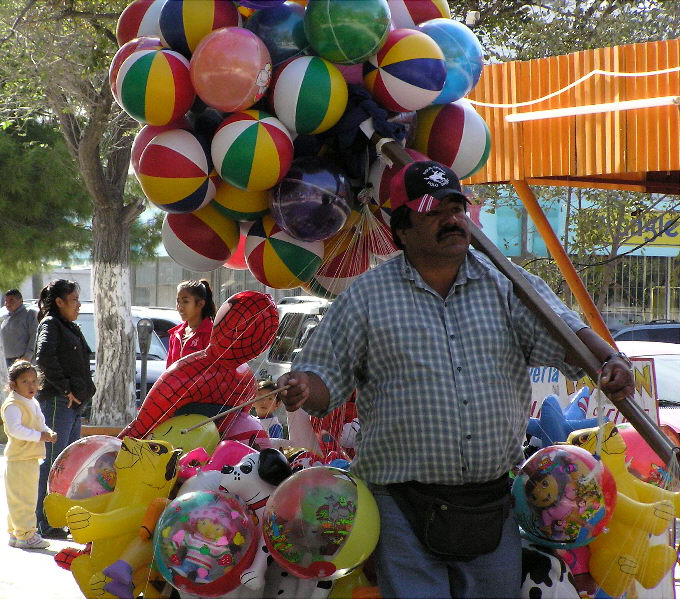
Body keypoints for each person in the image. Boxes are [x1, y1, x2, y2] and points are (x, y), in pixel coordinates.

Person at [277, 161, 636, 599]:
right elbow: (323, 378)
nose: (451, 220)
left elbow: (566, 334)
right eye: (434, 211)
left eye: (456, 208)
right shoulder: (366, 297)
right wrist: (303, 388)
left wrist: (609, 359)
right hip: (400, 506)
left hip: (489, 503)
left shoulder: (507, 285)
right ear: (402, 230)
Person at [33, 279, 95, 539]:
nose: (78, 305)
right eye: (74, 300)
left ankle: (60, 518)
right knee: (53, 463)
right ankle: (46, 521)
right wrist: (65, 388)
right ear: (59, 302)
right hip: (59, 403)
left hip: (74, 406)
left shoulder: (69, 326)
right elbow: (44, 357)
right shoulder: (50, 324)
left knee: (69, 465)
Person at [1, 360, 57, 550]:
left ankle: (16, 533)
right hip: (18, 458)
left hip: (31, 457)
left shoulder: (32, 402)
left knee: (25, 496)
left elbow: (40, 423)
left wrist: (47, 432)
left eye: (34, 380)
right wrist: (39, 436)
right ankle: (26, 534)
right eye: (25, 381)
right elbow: (15, 429)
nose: (31, 385)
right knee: (22, 498)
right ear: (14, 383)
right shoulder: (12, 405)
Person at [166, 280, 215, 367]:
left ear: (200, 304)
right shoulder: (175, 335)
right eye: (178, 301)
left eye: (185, 301)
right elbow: (168, 371)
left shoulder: (211, 335)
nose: (180, 307)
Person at [0, 289, 38, 366]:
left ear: (20, 300)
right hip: (6, 361)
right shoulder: (5, 318)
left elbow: (35, 336)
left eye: (11, 300)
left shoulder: (29, 314)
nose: (8, 304)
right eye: (6, 301)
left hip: (24, 360)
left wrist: (28, 356)